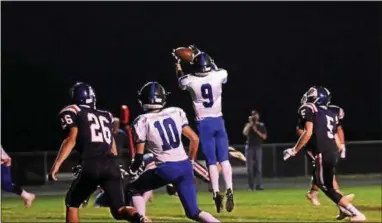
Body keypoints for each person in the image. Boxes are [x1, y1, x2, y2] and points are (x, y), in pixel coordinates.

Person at [50, 82, 144, 223]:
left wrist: (57, 165)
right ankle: (140, 218)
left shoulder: (74, 110)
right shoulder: (106, 115)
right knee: (119, 210)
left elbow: (71, 139)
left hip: (91, 164)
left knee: (72, 204)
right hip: (112, 164)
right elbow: (112, 146)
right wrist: (115, 164)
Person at [127, 81, 220, 222]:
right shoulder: (175, 112)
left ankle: (142, 219)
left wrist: (132, 171)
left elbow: (139, 157)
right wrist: (191, 161)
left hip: (166, 167)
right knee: (193, 212)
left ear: (143, 100)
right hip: (184, 166)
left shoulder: (142, 120)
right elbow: (194, 139)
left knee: (134, 189)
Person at [284, 86, 366, 222]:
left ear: (317, 98)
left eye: (311, 97)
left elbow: (308, 131)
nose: (308, 99)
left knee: (326, 186)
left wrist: (294, 150)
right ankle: (342, 208)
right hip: (331, 150)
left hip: (322, 152)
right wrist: (340, 146)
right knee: (326, 181)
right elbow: (332, 132)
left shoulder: (310, 109)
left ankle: (356, 213)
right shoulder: (331, 112)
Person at [174, 45, 234, 213]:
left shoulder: (191, 80)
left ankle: (215, 191)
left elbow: (180, 81)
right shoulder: (218, 75)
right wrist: (201, 53)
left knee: (211, 162)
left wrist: (178, 65)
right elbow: (218, 70)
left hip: (204, 123)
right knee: (224, 159)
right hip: (219, 120)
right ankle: (229, 188)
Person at [297, 88, 354, 208]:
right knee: (325, 172)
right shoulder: (309, 112)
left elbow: (338, 128)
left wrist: (341, 144)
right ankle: (339, 196)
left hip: (325, 145)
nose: (309, 100)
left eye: (312, 98)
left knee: (323, 171)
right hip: (314, 147)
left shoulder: (328, 112)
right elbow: (300, 130)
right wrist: (313, 138)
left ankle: (314, 193)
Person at [242, 110, 267, 190]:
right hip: (249, 147)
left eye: (256, 115)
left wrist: (256, 131)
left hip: (258, 147)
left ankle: (259, 185)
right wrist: (250, 125)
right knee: (249, 168)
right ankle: (251, 186)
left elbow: (264, 137)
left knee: (258, 167)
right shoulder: (248, 125)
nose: (255, 117)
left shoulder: (261, 125)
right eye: (253, 116)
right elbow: (245, 133)